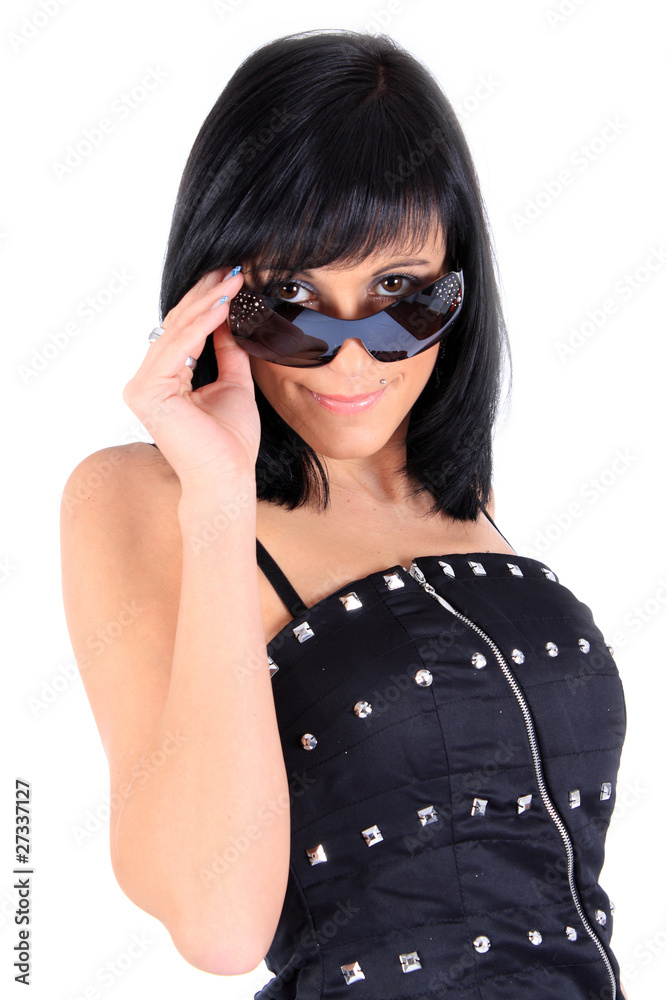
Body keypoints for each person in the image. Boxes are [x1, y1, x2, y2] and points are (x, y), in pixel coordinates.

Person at [59, 28, 629, 1000]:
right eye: (291, 299)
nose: (354, 357)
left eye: (399, 294)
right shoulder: (138, 495)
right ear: (214, 291)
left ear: (460, 279)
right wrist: (219, 495)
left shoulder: (458, 493)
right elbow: (219, 927)